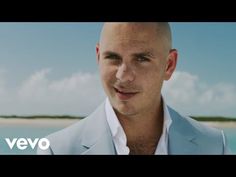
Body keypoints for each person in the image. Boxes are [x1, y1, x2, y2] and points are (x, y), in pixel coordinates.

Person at [37, 22, 230, 155]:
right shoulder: (55, 149)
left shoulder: (214, 145)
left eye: (141, 59)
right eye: (112, 57)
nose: (123, 76)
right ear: (98, 58)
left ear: (169, 65)